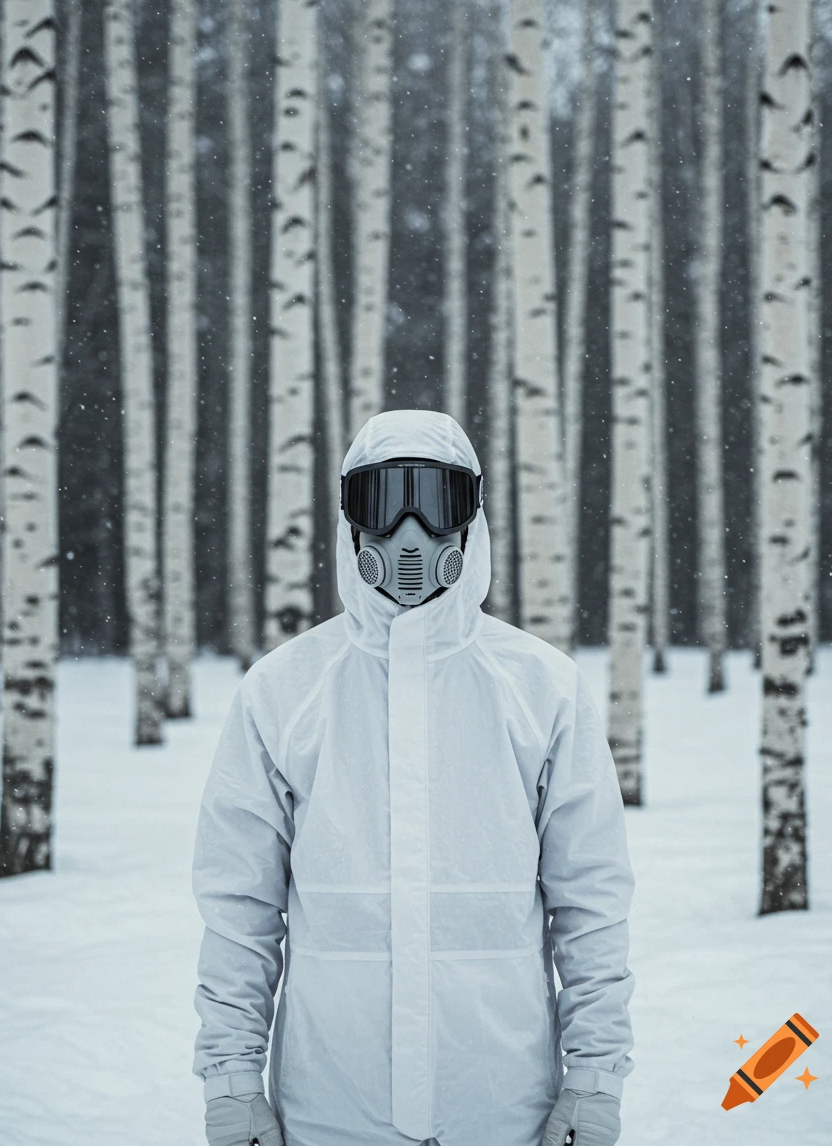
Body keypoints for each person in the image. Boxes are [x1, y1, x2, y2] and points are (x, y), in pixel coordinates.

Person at [192, 409, 635, 1146]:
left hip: (501, 1110)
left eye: (435, 504)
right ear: (350, 522)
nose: (409, 534)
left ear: (470, 520)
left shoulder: (542, 689)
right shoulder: (283, 690)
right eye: (383, 502)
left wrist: (594, 1080)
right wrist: (232, 1082)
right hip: (328, 1112)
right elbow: (239, 911)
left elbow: (592, 904)